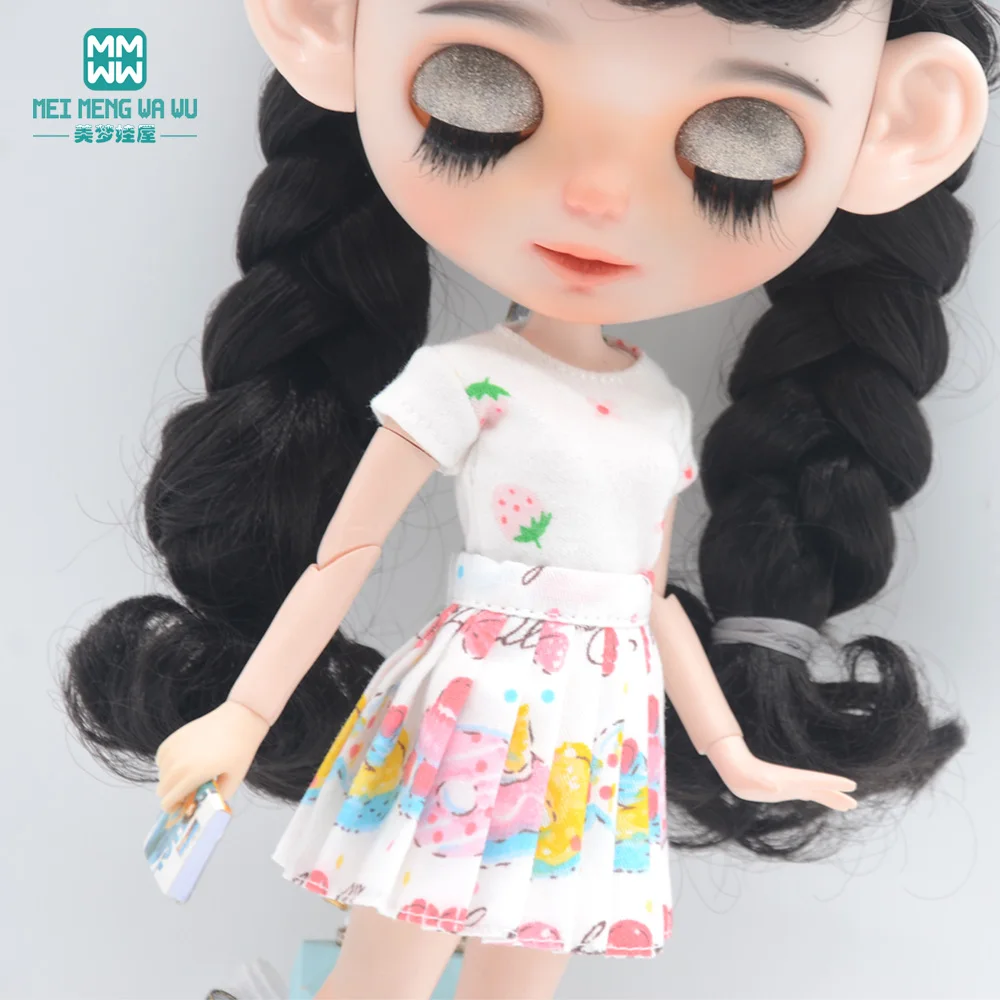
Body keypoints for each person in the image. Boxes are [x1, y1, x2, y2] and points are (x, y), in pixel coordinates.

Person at [62, 1, 997, 997]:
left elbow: (647, 598)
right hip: (470, 711)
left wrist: (732, 751)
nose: (596, 195)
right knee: (385, 975)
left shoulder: (655, 407)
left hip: (596, 742)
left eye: (741, 146)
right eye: (480, 92)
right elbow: (344, 554)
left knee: (518, 984)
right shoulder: (465, 380)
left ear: (902, 129)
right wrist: (244, 711)